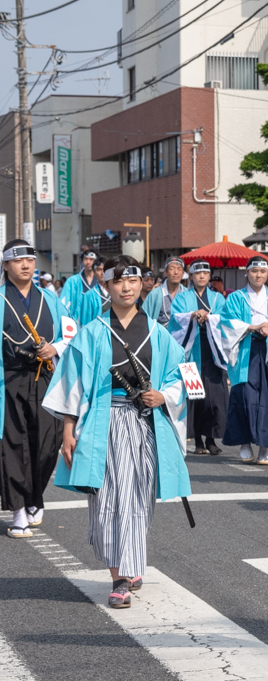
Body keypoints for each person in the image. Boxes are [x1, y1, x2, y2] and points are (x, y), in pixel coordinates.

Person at [43, 255, 190, 608]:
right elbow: (72, 386)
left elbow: (178, 378)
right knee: (108, 499)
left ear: (143, 285)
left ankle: (132, 562)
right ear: (106, 286)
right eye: (118, 281)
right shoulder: (92, 332)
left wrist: (163, 395)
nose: (126, 288)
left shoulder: (159, 332)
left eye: (133, 281)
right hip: (102, 424)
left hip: (145, 424)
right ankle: (120, 576)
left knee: (138, 496)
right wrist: (68, 430)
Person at [1, 241, 67, 539]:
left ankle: (34, 497)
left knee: (47, 442)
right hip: (8, 379)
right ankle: (18, 512)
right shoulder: (2, 298)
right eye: (18, 261)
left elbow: (71, 334)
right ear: (5, 266)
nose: (25, 265)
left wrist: (54, 348)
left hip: (45, 376)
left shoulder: (51, 299)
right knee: (13, 444)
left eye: (29, 259)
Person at [219, 256, 268, 465]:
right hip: (244, 350)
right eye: (254, 271)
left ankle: (264, 447)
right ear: (246, 273)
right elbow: (226, 321)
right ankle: (245, 443)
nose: (259, 275)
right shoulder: (235, 298)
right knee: (245, 396)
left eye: (263, 272)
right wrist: (252, 327)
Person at [169, 261, 229, 456]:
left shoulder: (218, 298)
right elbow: (176, 319)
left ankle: (211, 438)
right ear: (191, 276)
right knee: (195, 395)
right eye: (197, 273)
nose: (202, 276)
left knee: (213, 395)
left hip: (212, 350)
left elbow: (225, 320)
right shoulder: (181, 298)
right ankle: (197, 441)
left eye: (205, 273)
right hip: (191, 350)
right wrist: (193, 315)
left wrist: (210, 318)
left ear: (209, 275)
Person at [144, 257, 186, 327]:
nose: (176, 272)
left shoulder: (187, 294)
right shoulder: (154, 294)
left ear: (183, 273)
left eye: (179, 269)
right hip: (160, 335)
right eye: (172, 269)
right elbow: (144, 318)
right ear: (165, 273)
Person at [60, 249, 98, 317]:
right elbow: (64, 303)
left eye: (91, 259)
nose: (88, 262)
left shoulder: (101, 281)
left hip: (96, 319)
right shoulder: (72, 281)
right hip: (77, 319)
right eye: (85, 259)